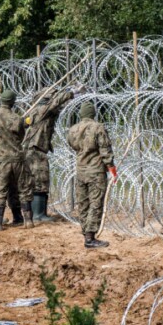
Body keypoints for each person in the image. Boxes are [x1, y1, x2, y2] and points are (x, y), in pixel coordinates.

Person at [22, 87, 76, 223]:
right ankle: (38, 215)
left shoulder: (44, 112)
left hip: (37, 149)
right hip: (35, 150)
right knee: (40, 181)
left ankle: (40, 213)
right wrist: (71, 93)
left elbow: (58, 106)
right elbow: (56, 102)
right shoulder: (41, 110)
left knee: (41, 180)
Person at [66, 101, 115, 249]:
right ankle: (90, 238)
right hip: (95, 171)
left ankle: (85, 232)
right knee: (95, 203)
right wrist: (111, 167)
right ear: (93, 113)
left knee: (83, 203)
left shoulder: (73, 129)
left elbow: (72, 145)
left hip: (81, 171)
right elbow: (105, 149)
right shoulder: (97, 127)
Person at [0, 89, 34, 231]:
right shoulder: (17, 118)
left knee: (0, 190)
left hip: (1, 160)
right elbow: (21, 136)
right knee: (23, 189)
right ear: (13, 102)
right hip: (17, 158)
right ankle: (28, 220)